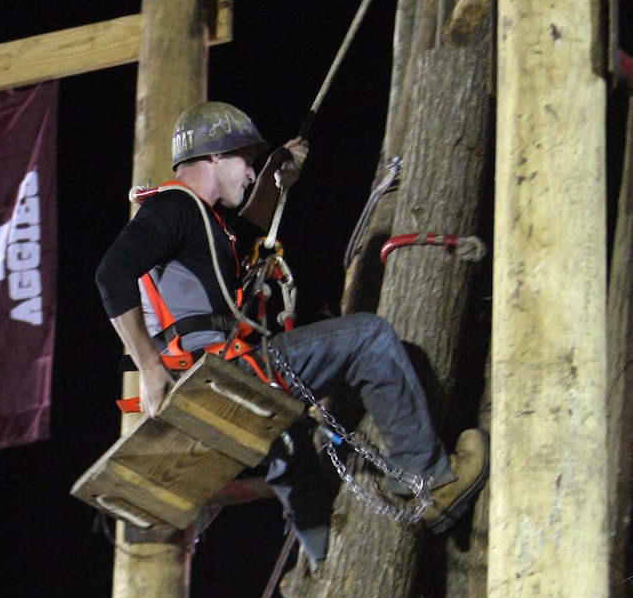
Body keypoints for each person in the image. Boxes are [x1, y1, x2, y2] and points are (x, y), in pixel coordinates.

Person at [95, 100, 488, 569]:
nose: (248, 172)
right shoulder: (174, 206)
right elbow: (111, 274)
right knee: (369, 338)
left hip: (214, 375)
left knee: (289, 440)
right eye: (245, 161)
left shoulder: (200, 222)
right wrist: (150, 369)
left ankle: (321, 555)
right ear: (215, 157)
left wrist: (274, 177)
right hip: (219, 371)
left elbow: (242, 235)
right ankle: (431, 482)